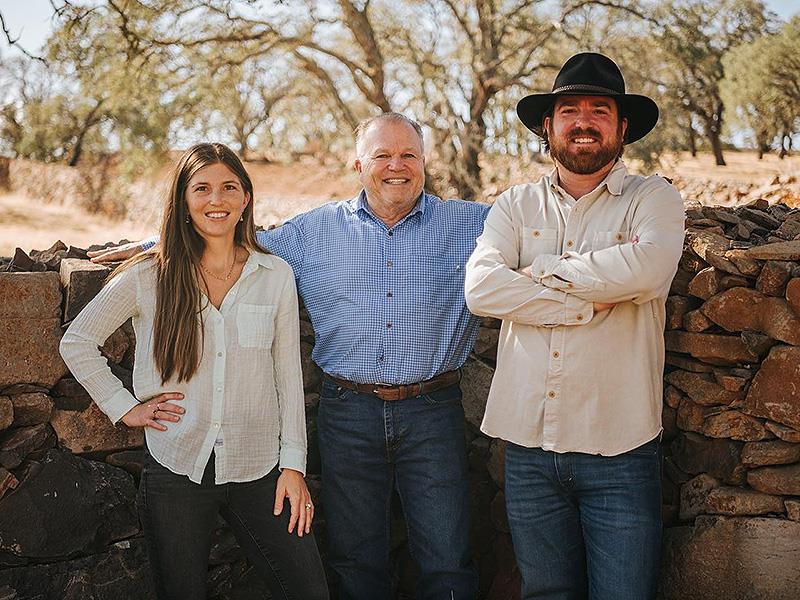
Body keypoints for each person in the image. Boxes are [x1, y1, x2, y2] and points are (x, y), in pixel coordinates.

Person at [89, 114, 487, 600]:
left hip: (432, 410)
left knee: (447, 561)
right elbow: (232, 237)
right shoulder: (316, 231)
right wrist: (151, 247)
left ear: (425, 162)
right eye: (382, 155)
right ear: (358, 165)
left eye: (409, 155)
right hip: (348, 412)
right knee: (356, 558)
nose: (396, 166)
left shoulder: (471, 224)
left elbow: (538, 230)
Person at [60, 143, 329, 600]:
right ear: (183, 200)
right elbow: (78, 341)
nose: (216, 200)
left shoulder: (275, 275)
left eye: (229, 187)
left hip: (260, 468)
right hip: (177, 466)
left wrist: (293, 468)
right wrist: (125, 408)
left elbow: (287, 376)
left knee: (308, 590)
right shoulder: (149, 275)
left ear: (246, 197)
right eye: (201, 188)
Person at [464, 53, 685, 600]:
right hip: (528, 450)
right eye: (569, 111)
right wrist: (583, 304)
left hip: (620, 448)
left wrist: (538, 272)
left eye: (599, 110)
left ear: (622, 127)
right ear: (548, 125)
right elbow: (482, 289)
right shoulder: (515, 204)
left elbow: (649, 268)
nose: (583, 121)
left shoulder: (653, 198)